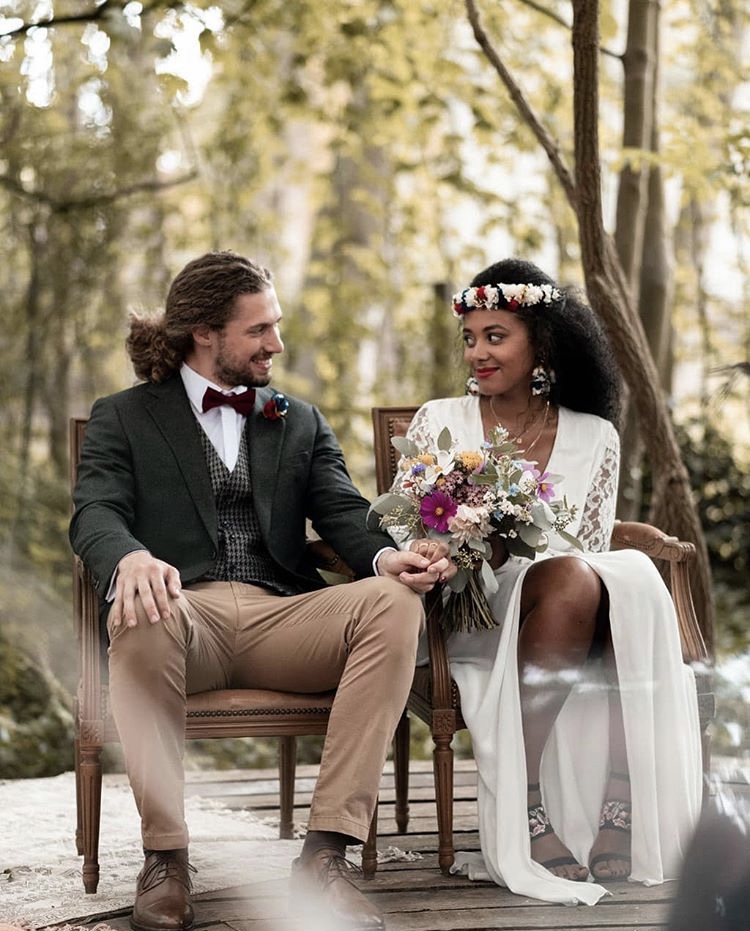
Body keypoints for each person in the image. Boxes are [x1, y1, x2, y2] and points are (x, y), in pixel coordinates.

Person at [69, 251, 454, 931]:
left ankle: (326, 854)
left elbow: (342, 512)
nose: (277, 343)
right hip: (185, 619)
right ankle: (165, 858)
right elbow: (93, 511)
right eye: (260, 329)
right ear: (204, 333)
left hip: (286, 616)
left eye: (275, 326)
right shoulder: (123, 416)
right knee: (144, 609)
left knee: (394, 600)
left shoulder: (296, 418)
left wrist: (387, 557)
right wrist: (129, 556)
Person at [389, 258, 703, 905]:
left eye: (494, 336)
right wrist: (460, 541)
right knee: (598, 578)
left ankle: (620, 796)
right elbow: (403, 529)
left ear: (542, 342)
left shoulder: (597, 435)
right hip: (475, 610)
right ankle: (530, 805)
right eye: (470, 338)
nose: (477, 352)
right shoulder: (438, 420)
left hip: (570, 607)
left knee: (616, 575)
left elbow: (590, 544)